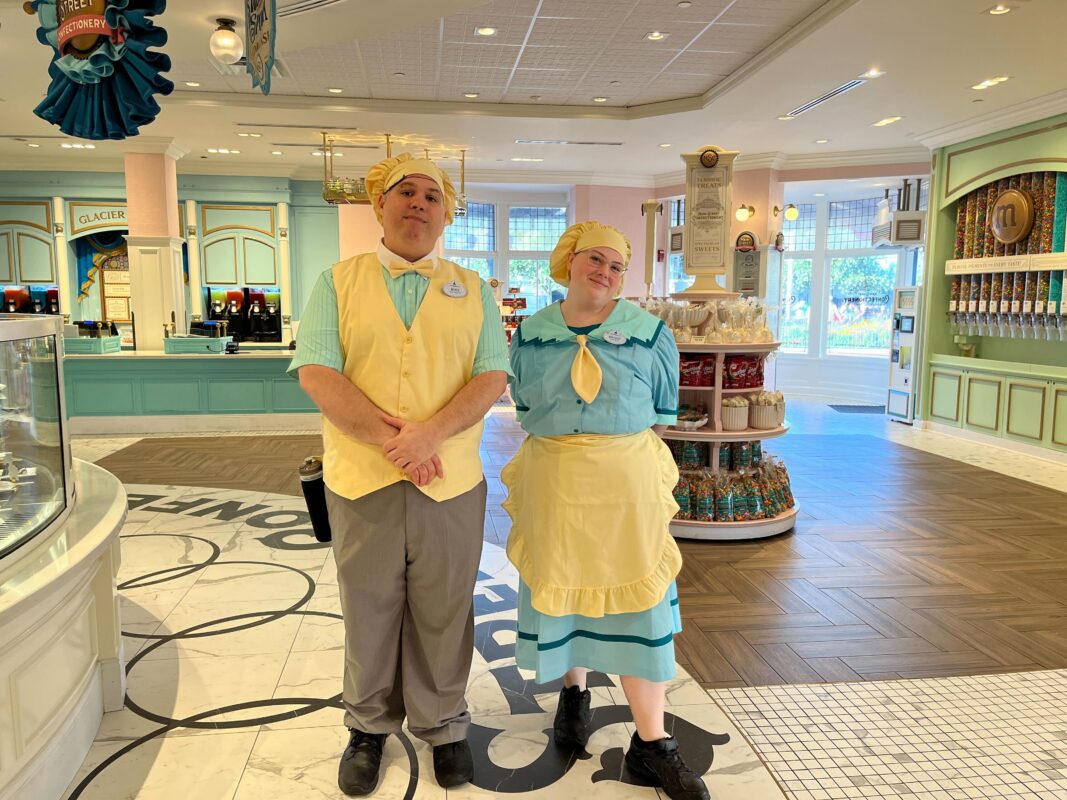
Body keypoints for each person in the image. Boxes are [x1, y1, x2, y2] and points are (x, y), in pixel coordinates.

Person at [290, 152, 510, 796]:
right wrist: (401, 445)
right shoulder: (337, 281)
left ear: (447, 213)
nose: (419, 203)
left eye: (432, 195)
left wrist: (431, 435)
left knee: (445, 607)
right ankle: (367, 726)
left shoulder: (475, 289)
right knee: (368, 605)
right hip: (362, 480)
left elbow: (491, 375)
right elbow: (318, 374)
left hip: (452, 480)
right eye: (404, 192)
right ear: (378, 205)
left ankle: (444, 724)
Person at [502, 221, 711, 800]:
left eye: (618, 266)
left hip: (625, 482)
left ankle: (653, 743)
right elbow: (521, 400)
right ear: (567, 260)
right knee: (563, 586)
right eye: (596, 259)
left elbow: (662, 411)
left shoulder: (649, 332)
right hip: (555, 478)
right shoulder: (531, 332)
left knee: (637, 598)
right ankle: (574, 698)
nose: (607, 273)